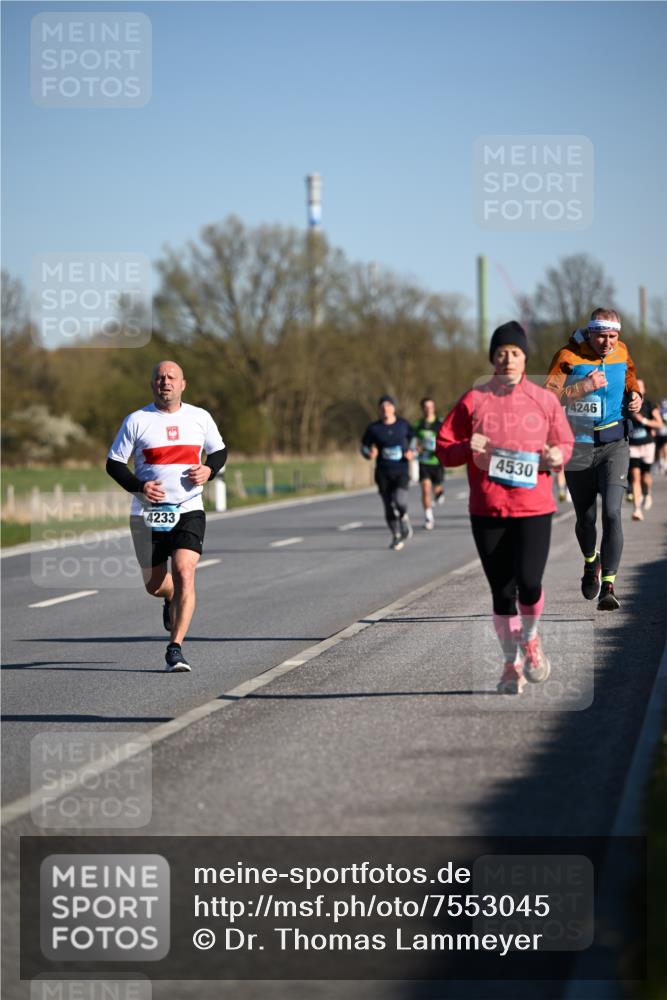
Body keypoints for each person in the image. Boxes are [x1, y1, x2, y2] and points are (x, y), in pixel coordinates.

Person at [436, 322, 574, 695]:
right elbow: (443, 448)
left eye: (514, 352)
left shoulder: (544, 401)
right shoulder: (474, 400)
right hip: (488, 510)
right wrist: (467, 447)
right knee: (502, 591)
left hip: (533, 508)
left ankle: (530, 640)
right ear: (492, 359)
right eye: (501, 353)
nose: (508, 359)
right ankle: (510, 665)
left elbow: (564, 442)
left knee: (529, 583)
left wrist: (557, 455)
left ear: (524, 358)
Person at [106, 360, 227, 672]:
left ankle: (175, 648)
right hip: (148, 514)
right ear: (152, 384)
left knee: (186, 571)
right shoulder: (137, 420)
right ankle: (168, 597)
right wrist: (140, 486)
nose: (165, 382)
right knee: (155, 585)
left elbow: (218, 451)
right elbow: (114, 464)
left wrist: (209, 469)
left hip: (188, 507)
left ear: (183, 383)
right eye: (160, 378)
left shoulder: (200, 417)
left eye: (171, 377)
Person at [544, 308, 642, 610]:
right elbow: (547, 399)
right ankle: (591, 562)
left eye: (613, 336)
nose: (608, 342)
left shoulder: (621, 351)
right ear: (590, 332)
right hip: (579, 446)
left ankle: (609, 585)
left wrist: (635, 393)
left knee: (612, 513)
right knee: (586, 520)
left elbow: (629, 375)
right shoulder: (568, 356)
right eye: (602, 336)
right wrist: (582, 387)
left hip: (615, 444)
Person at [361, 395, 414, 550]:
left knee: (400, 501)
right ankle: (396, 536)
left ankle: (404, 516)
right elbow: (363, 446)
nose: (386, 409)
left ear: (394, 408)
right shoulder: (373, 428)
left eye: (389, 406)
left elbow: (413, 439)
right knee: (388, 506)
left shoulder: (403, 425)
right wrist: (368, 453)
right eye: (382, 407)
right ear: (379, 410)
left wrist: (411, 450)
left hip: (401, 471)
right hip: (382, 472)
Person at [627, 379, 663, 521]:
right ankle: (637, 509)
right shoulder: (626, 405)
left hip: (648, 445)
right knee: (635, 476)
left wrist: (643, 421)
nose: (637, 389)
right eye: (635, 387)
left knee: (645, 477)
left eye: (640, 387)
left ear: (644, 390)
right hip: (633, 446)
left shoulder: (649, 405)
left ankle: (647, 493)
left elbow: (659, 424)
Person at [412, 397, 445, 530]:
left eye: (431, 406)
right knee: (425, 488)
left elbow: (447, 439)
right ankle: (428, 516)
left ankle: (439, 493)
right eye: (426, 407)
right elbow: (412, 442)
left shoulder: (440, 423)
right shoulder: (417, 425)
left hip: (437, 461)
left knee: (436, 489)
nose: (428, 409)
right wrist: (416, 448)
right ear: (422, 409)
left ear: (434, 408)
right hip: (424, 461)